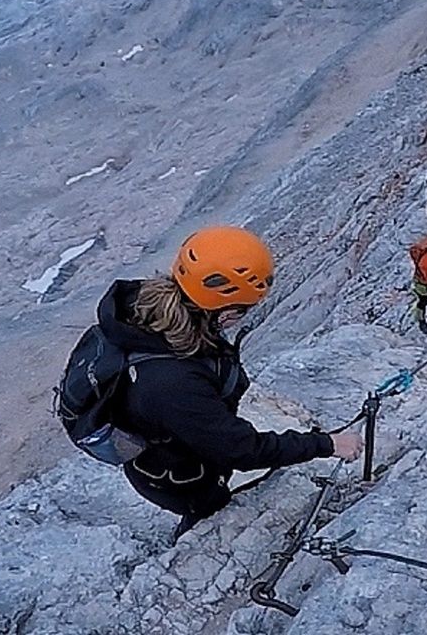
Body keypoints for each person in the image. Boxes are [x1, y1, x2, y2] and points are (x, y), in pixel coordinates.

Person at [95, 226, 362, 542]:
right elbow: (242, 450)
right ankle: (193, 533)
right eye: (242, 309)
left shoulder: (148, 312)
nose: (242, 317)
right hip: (179, 479)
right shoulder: (172, 382)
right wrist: (327, 444)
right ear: (221, 309)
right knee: (209, 513)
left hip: (165, 451)